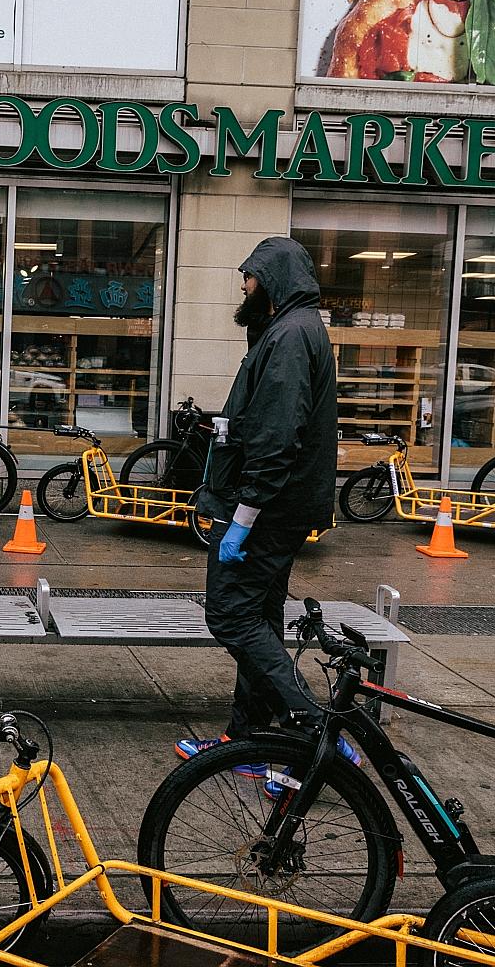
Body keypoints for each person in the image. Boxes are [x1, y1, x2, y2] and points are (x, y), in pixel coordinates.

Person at [178, 236, 348, 764]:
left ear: (271, 281)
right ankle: (249, 739)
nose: (244, 285)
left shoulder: (291, 337)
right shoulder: (285, 332)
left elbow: (277, 438)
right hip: (277, 507)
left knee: (231, 615)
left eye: (249, 276)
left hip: (270, 510)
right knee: (261, 618)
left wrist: (243, 518)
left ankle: (319, 735)